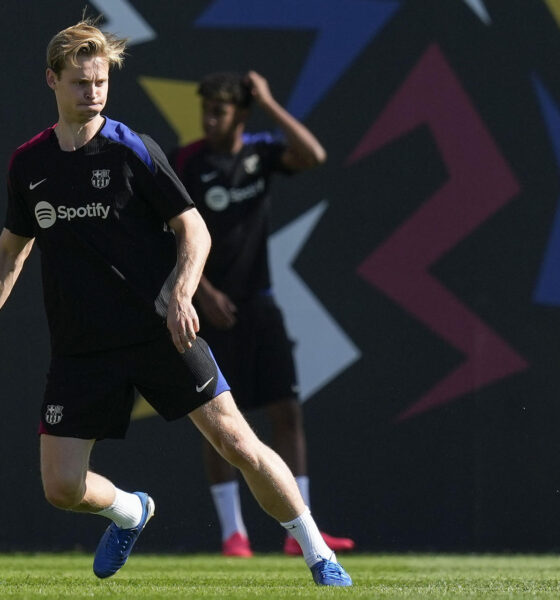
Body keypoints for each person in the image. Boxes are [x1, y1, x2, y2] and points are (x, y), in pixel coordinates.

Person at [0, 18, 352, 587]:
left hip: (159, 330)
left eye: (101, 82)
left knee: (237, 441)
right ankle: (131, 511)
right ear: (51, 81)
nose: (93, 92)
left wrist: (182, 295)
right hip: (82, 347)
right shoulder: (29, 164)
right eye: (79, 82)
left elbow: (195, 231)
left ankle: (319, 554)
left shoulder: (132, 150)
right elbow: (11, 254)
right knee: (61, 489)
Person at [170, 72, 355, 557]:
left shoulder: (260, 152)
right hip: (207, 310)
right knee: (219, 424)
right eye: (206, 110)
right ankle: (234, 534)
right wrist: (202, 291)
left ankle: (301, 534)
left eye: (221, 111)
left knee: (286, 412)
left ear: (241, 115)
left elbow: (313, 156)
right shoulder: (187, 162)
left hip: (259, 305)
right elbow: (166, 231)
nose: (211, 119)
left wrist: (270, 102)